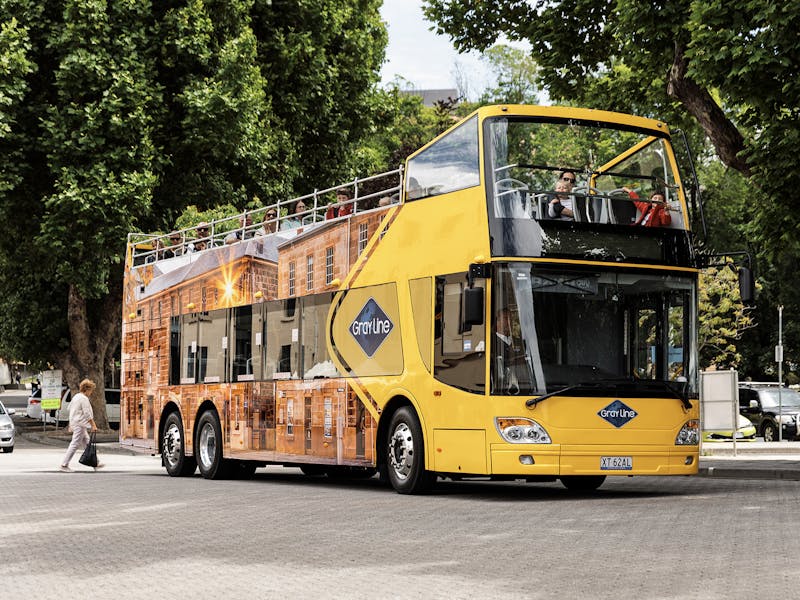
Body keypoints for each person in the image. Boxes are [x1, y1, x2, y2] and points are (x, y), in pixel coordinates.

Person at [59, 378, 104, 472]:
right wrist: (93, 425)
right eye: (91, 390)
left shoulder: (76, 397)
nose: (91, 392)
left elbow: (70, 410)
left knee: (87, 443)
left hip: (77, 423)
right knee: (75, 443)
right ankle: (64, 464)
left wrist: (71, 424)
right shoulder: (83, 399)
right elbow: (87, 413)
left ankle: (96, 462)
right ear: (87, 389)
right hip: (80, 423)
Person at [494, 308, 520, 395]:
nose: (509, 322)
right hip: (499, 392)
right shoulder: (488, 343)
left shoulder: (520, 342)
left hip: (524, 390)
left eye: (511, 319)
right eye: (506, 318)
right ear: (497, 320)